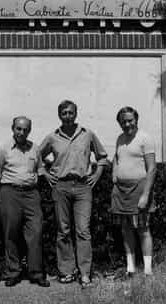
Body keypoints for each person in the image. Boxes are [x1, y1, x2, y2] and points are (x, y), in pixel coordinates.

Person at [39, 100, 108, 288]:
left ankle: (85, 273)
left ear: (75, 114)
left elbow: (102, 157)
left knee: (83, 230)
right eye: (64, 113)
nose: (67, 116)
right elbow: (36, 155)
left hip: (83, 187)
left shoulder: (87, 135)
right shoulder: (53, 137)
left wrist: (97, 174)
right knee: (63, 230)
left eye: (70, 113)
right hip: (60, 186)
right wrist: (44, 173)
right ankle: (66, 272)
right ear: (59, 115)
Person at [0, 116, 50, 287]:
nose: (22, 132)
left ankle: (36, 273)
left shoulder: (34, 148)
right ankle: (13, 272)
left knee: (36, 232)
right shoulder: (3, 148)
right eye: (18, 129)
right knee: (10, 232)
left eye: (25, 129)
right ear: (13, 129)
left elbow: (40, 169)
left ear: (29, 131)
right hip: (10, 193)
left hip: (31, 194)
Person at [111, 106, 156, 278]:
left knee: (143, 229)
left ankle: (147, 270)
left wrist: (145, 195)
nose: (127, 124)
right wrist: (114, 172)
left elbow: (152, 169)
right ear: (120, 123)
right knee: (126, 229)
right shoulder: (120, 138)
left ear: (136, 120)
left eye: (130, 120)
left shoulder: (145, 138)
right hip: (121, 191)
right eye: (123, 121)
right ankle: (130, 268)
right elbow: (116, 157)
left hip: (139, 189)